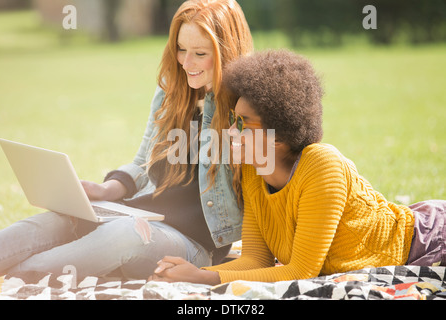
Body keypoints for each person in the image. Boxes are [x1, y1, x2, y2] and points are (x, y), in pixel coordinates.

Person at [0, 0, 253, 280]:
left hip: (192, 245)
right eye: (181, 49)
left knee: (124, 234)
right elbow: (144, 162)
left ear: (227, 51)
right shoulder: (171, 91)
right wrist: (106, 190)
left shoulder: (246, 107)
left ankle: (12, 281)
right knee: (61, 219)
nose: (186, 63)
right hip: (139, 215)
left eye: (200, 53)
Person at [149, 50, 446, 285]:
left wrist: (205, 277)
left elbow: (302, 271)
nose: (230, 132)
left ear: (277, 138)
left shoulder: (321, 165)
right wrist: (195, 272)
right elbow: (255, 260)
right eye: (232, 120)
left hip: (429, 242)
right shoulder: (253, 170)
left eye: (242, 124)